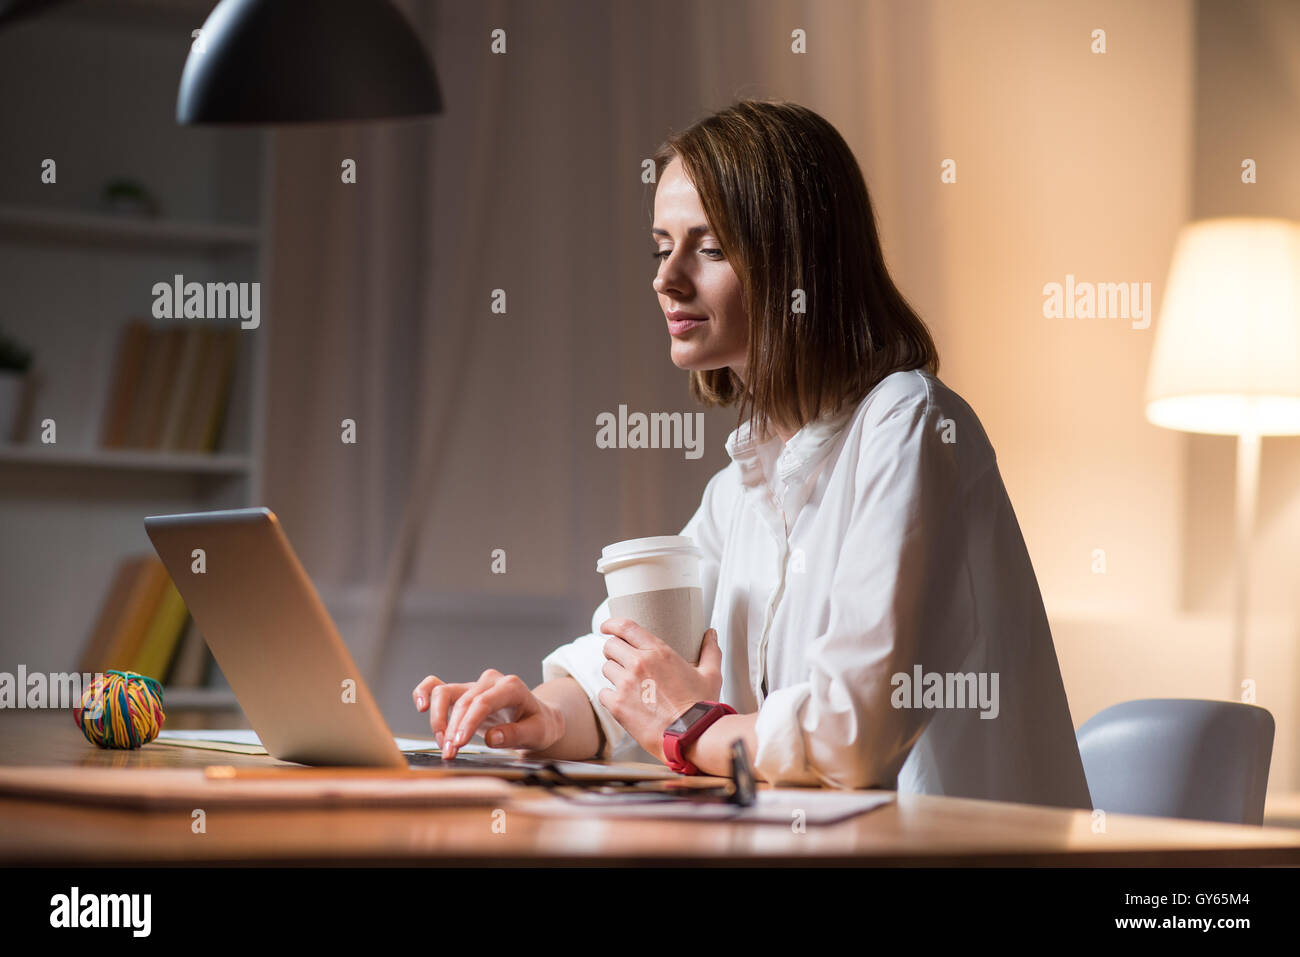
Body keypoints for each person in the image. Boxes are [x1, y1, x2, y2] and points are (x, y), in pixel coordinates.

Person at [412, 99, 1092, 808]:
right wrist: (546, 712)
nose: (666, 277)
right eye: (660, 246)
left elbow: (848, 737)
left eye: (708, 249)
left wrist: (690, 727)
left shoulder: (907, 423)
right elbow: (646, 658)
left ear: (799, 264)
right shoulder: (741, 489)